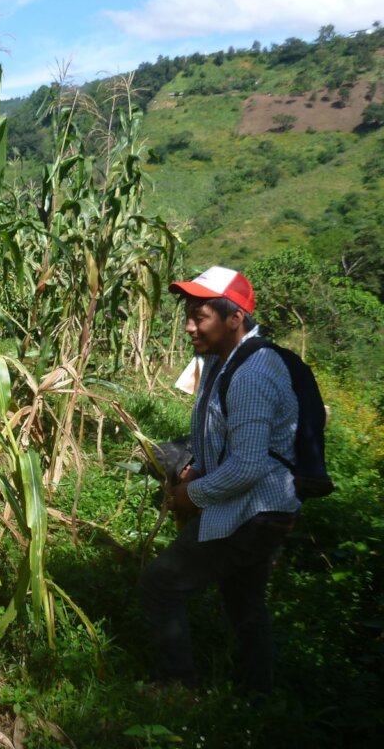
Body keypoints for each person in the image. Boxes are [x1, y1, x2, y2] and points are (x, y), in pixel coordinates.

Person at [139, 266, 300, 693]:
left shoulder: (251, 374)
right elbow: (228, 437)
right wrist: (201, 467)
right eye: (187, 314)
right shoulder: (223, 361)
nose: (189, 326)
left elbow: (247, 466)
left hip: (252, 511)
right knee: (244, 601)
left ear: (235, 319)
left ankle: (177, 686)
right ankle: (255, 698)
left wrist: (193, 493)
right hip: (263, 510)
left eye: (200, 315)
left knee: (161, 583)